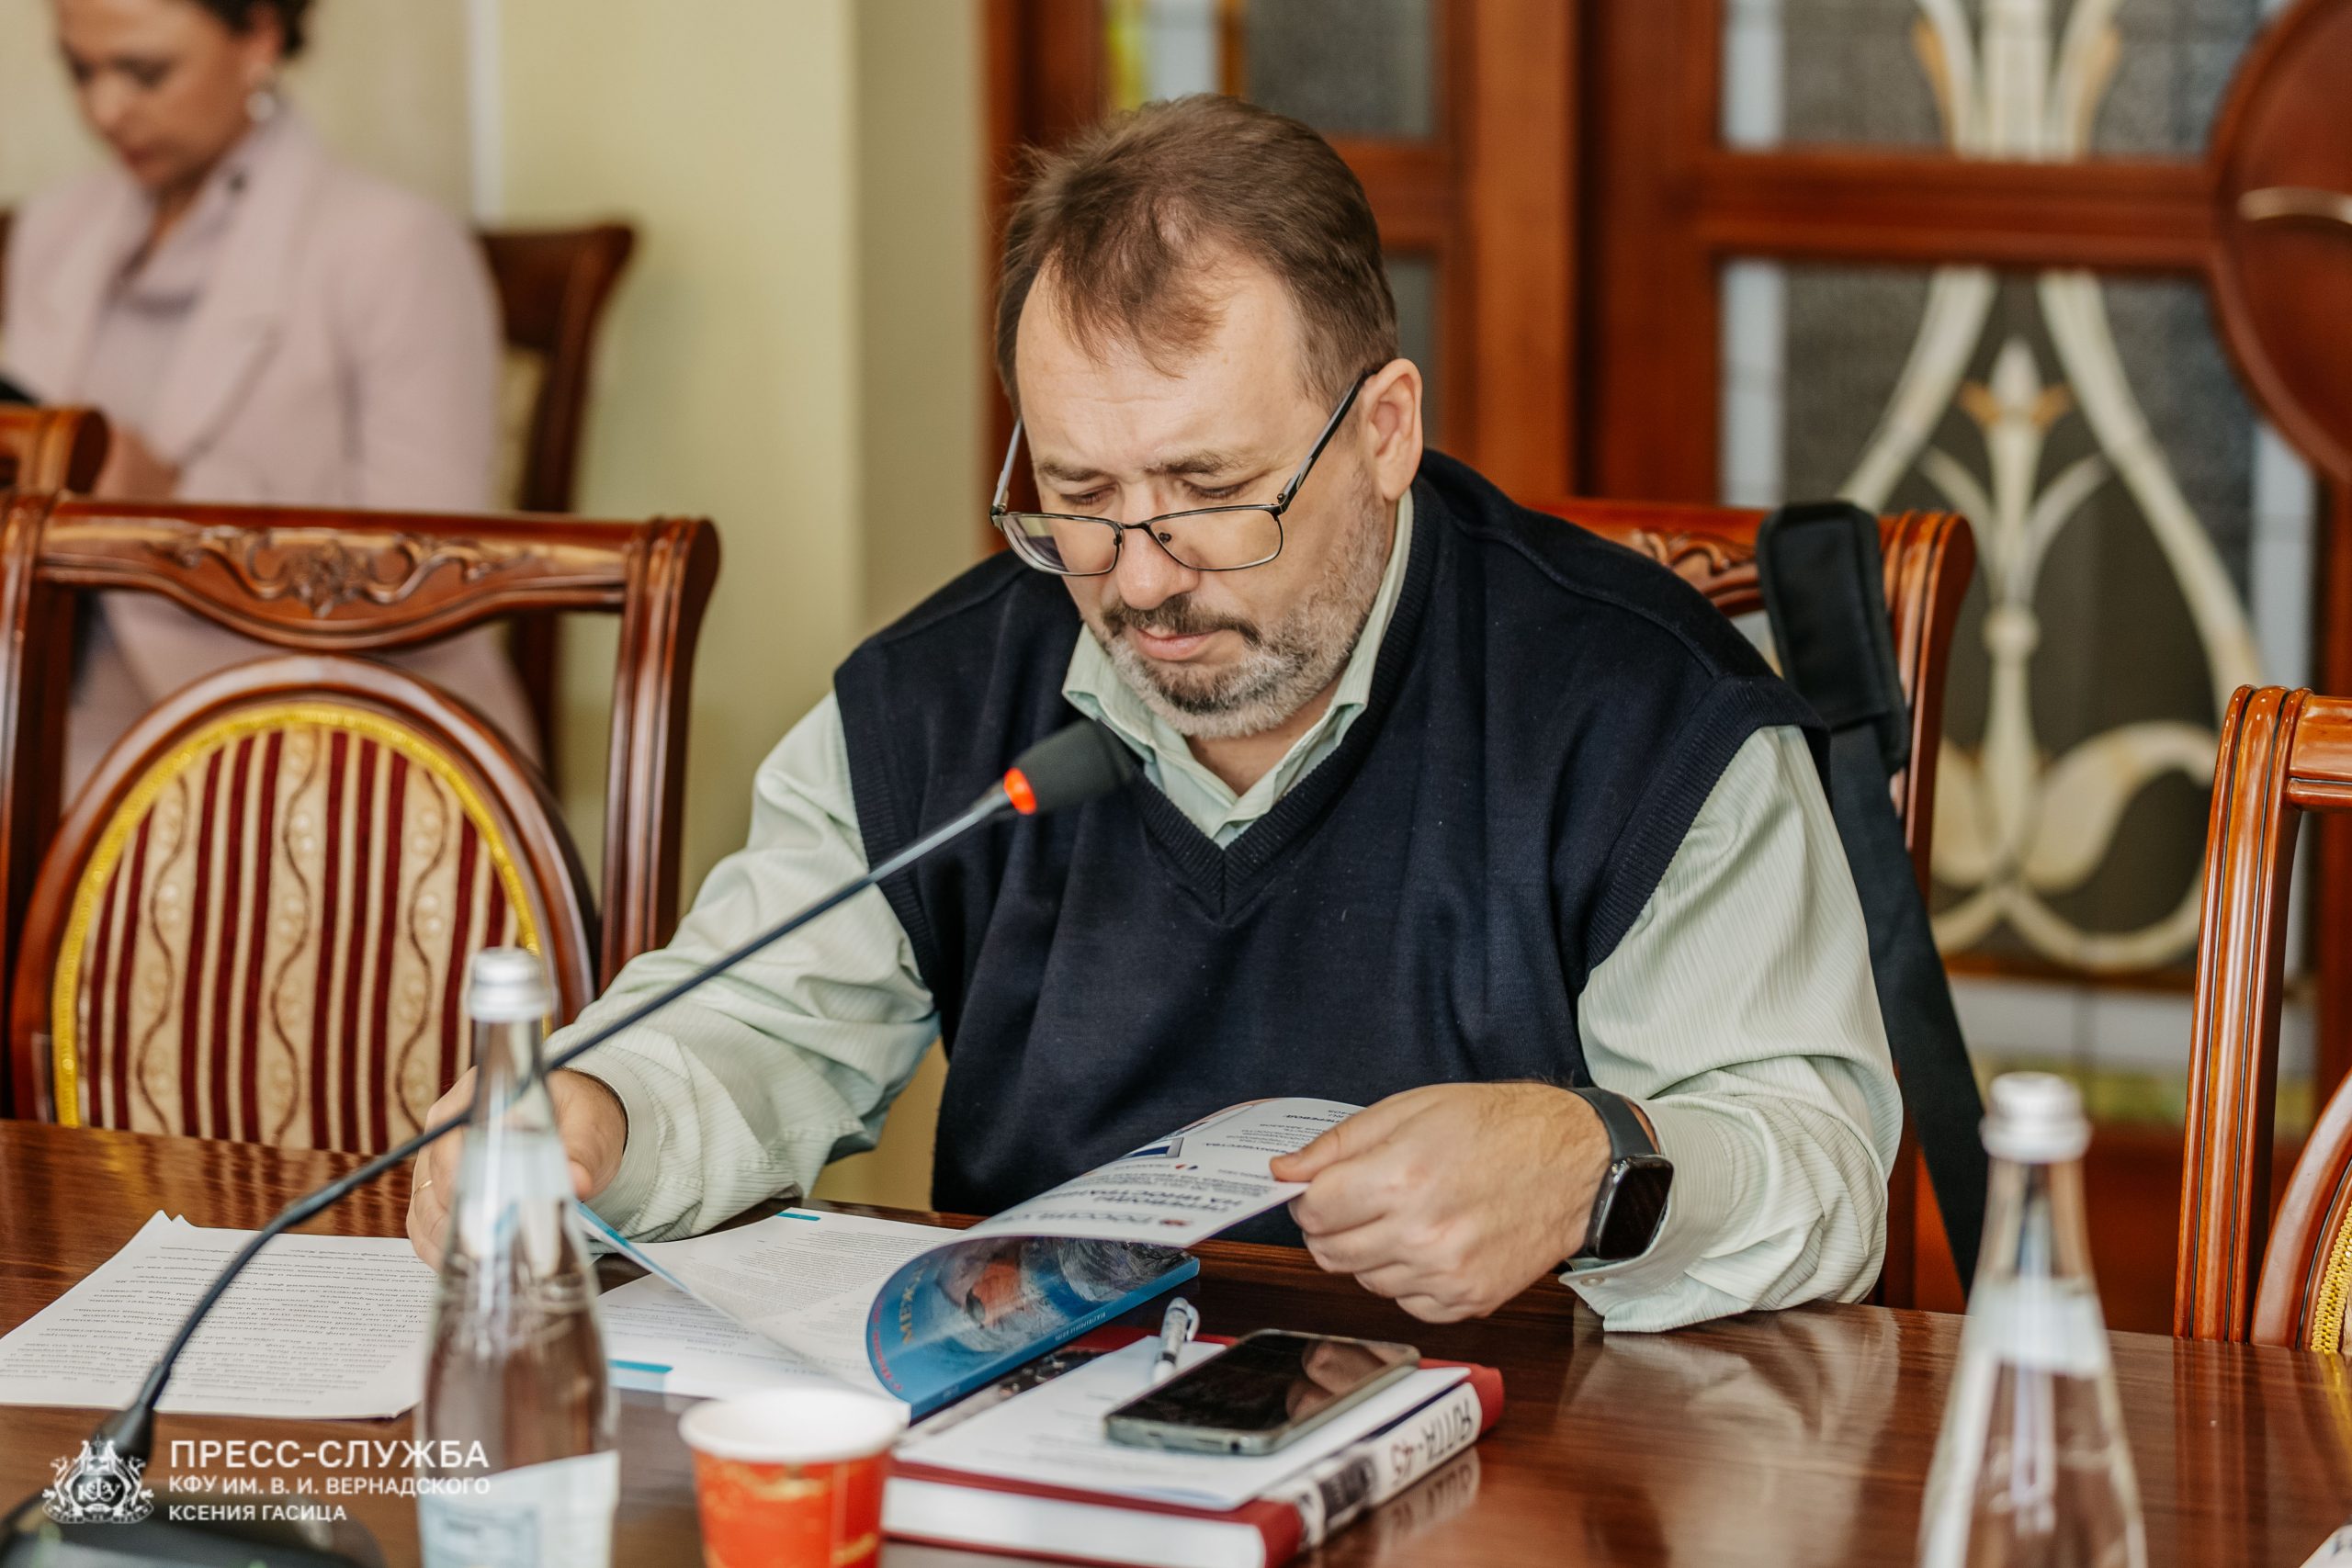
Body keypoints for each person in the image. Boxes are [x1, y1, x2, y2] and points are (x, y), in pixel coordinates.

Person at [408, 95, 1903, 1331]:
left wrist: (1598, 1162)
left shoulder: (1642, 714)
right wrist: (596, 1112)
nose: (1138, 579)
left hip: (1532, 1471)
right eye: (1080, 495)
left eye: (1209, 491)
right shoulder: (937, 702)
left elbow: (1822, 1164)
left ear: (1385, 429)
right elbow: (755, 1022)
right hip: (1040, 1439)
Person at [2, 0, 536, 786]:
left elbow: (433, 583)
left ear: (259, 36)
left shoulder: (395, 247)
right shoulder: (53, 230)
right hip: (57, 726)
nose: (105, 108)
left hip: (326, 737)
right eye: (80, 71)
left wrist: (165, 501)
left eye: (144, 72)